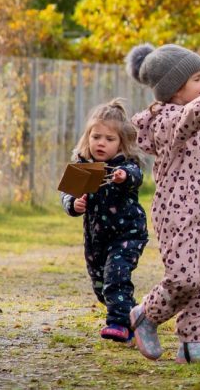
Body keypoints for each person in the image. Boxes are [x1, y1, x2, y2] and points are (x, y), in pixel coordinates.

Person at [125, 42, 200, 364]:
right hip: (175, 214)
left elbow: (196, 166)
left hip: (197, 213)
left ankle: (192, 346)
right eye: (197, 79)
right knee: (184, 278)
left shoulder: (193, 123)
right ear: (175, 89)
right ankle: (145, 315)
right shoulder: (167, 119)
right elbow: (186, 120)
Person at [61, 99, 148, 343]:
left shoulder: (125, 165)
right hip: (96, 238)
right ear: (88, 136)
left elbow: (137, 176)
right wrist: (73, 204)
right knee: (101, 286)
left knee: (115, 277)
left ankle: (118, 324)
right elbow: (68, 193)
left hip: (127, 234)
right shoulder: (84, 165)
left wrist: (124, 177)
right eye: (96, 136)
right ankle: (136, 317)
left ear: (121, 142)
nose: (101, 143)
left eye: (109, 139)